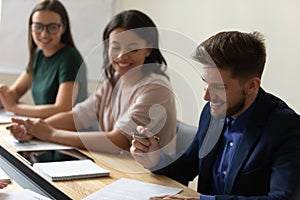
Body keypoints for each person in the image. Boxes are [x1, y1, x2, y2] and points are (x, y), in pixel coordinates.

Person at [130, 31, 300, 199]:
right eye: (205, 83)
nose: (206, 96)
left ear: (252, 86)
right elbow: (188, 165)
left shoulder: (286, 127)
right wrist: (154, 160)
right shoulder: (212, 111)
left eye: (219, 87)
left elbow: (283, 198)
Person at [7, 10, 177, 154]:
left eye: (132, 48)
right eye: (115, 46)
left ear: (148, 48)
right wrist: (33, 129)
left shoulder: (155, 87)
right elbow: (78, 116)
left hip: (152, 181)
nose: (121, 55)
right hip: (117, 168)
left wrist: (50, 133)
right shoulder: (114, 81)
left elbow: (118, 140)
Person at [0, 0, 87, 119]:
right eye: (38, 27)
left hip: (69, 132)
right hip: (45, 128)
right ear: (31, 27)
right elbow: (15, 93)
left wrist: (14, 107)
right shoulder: (39, 54)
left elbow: (62, 109)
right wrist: (3, 96)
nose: (44, 34)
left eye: (52, 27)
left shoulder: (70, 57)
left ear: (63, 28)